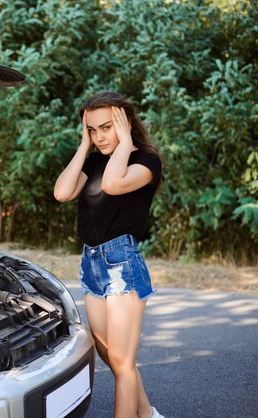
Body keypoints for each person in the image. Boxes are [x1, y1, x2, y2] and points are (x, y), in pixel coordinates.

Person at [54, 91, 164, 418]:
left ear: (124, 123)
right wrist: (84, 146)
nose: (100, 136)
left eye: (106, 127)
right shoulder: (94, 159)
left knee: (123, 362)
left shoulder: (146, 161)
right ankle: (148, 415)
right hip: (91, 265)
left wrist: (127, 142)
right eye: (92, 129)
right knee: (110, 356)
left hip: (122, 265)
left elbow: (114, 185)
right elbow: (62, 192)